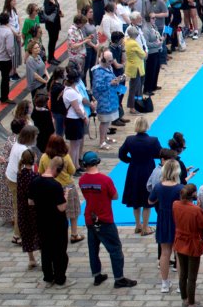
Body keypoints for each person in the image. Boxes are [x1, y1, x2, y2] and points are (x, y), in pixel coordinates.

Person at [78, 151, 137, 288]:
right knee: (115, 248)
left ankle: (97, 275)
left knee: (93, 249)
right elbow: (115, 196)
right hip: (104, 218)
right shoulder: (105, 180)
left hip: (90, 218)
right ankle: (119, 278)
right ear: (97, 162)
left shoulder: (82, 180)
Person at [30, 152, 70, 286]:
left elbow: (30, 202)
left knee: (46, 250)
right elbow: (61, 208)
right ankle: (60, 278)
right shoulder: (55, 186)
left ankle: (48, 276)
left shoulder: (35, 181)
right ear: (57, 169)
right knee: (59, 251)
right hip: (57, 224)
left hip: (41, 221)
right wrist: (66, 196)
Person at [118, 116, 162, 236]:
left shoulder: (129, 140)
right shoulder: (153, 140)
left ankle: (137, 225)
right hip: (148, 170)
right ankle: (145, 227)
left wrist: (130, 160)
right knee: (147, 199)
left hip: (134, 170)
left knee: (135, 198)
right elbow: (159, 154)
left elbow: (121, 154)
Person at [148, 159, 184, 294]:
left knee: (165, 252)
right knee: (179, 253)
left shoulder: (158, 186)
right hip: (177, 220)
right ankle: (181, 284)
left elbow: (150, 200)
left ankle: (164, 283)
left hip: (163, 219)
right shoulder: (180, 188)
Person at [173, 183, 203, 307]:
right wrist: (198, 208)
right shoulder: (196, 210)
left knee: (183, 273)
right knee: (192, 276)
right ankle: (192, 305)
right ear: (194, 195)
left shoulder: (175, 204)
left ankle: (185, 300)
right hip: (192, 243)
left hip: (179, 241)